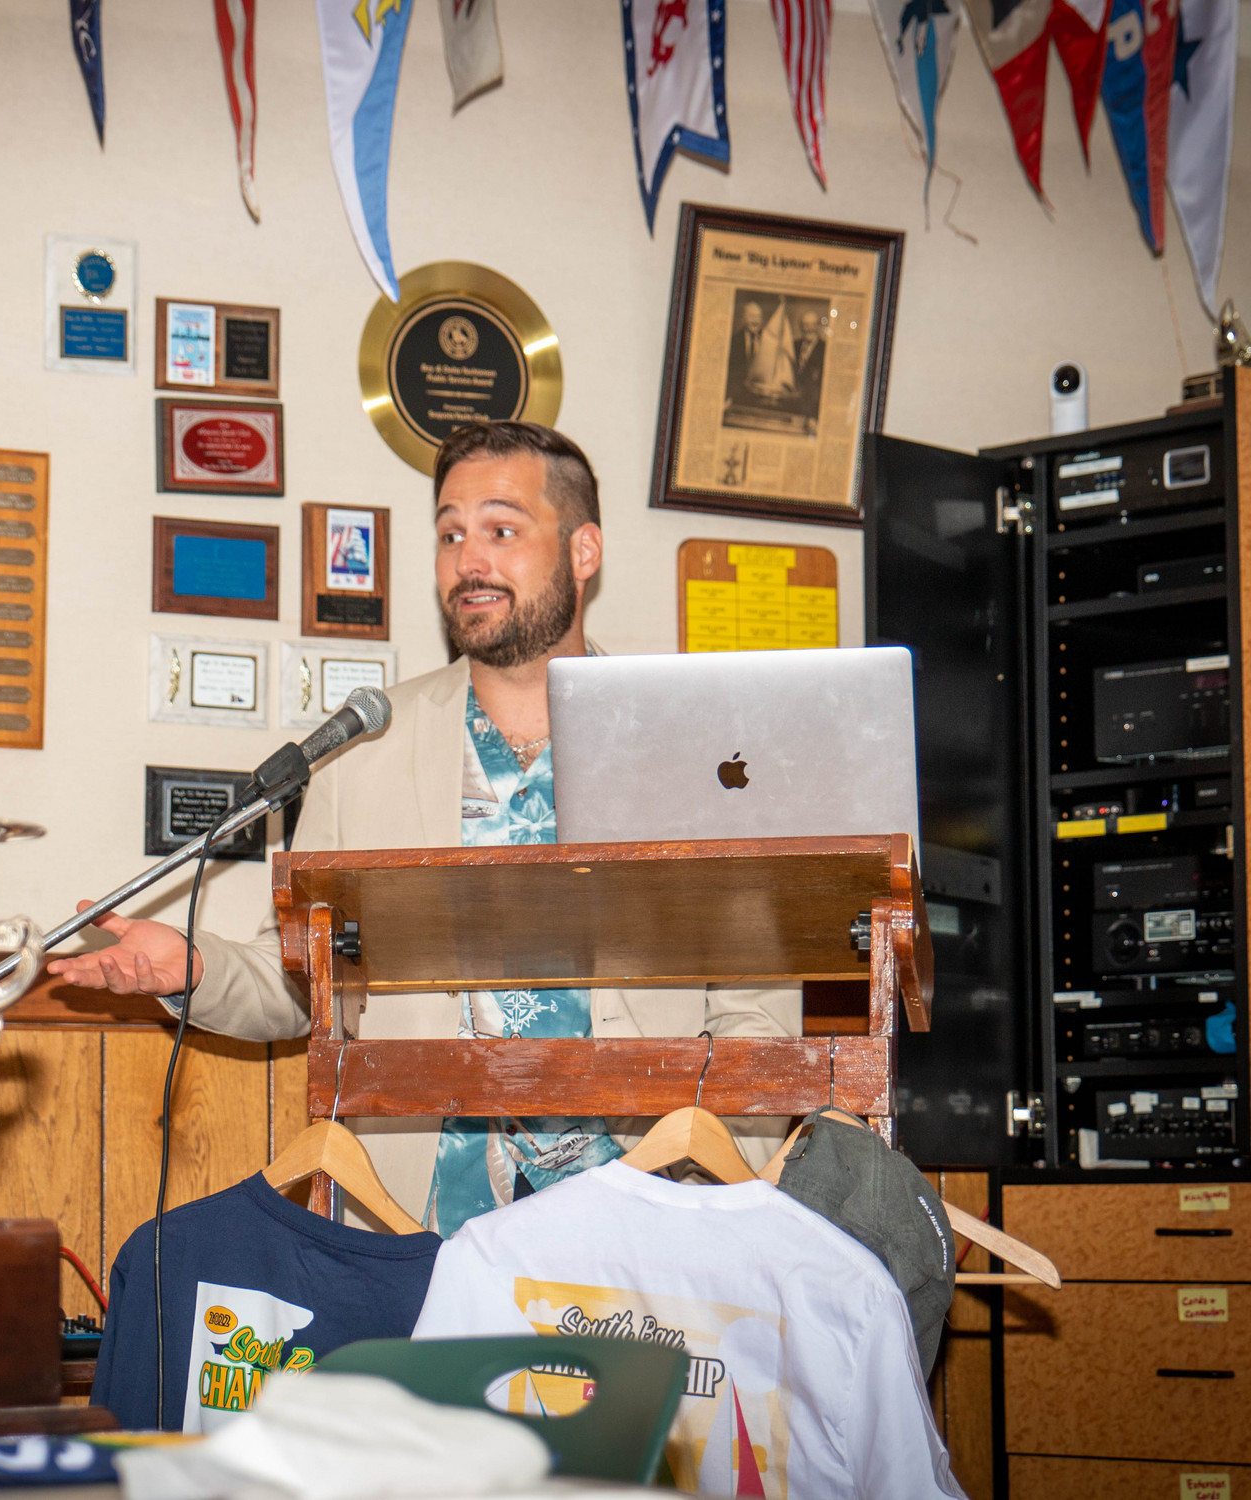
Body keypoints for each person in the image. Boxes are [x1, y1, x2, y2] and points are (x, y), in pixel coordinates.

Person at [47, 421, 800, 1233]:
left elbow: (756, 1007)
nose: (468, 560)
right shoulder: (361, 748)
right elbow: (304, 983)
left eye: (501, 530)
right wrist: (194, 967)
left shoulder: (694, 747)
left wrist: (713, 1190)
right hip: (416, 1224)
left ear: (584, 551)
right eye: (450, 534)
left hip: (648, 1220)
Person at [790, 306, 828, 419]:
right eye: (805, 325)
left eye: (812, 325)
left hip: (812, 406)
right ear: (801, 327)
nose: (808, 329)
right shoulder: (793, 345)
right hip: (793, 403)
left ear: (818, 326)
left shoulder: (825, 349)